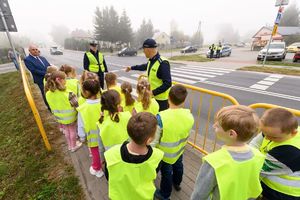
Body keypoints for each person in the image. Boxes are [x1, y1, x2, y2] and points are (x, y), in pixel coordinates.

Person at [191, 105, 265, 200]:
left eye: (217, 126)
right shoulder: (258, 155)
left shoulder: (214, 162)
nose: (214, 126)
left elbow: (199, 194)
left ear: (231, 134)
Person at [104, 112, 164, 199]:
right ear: (149, 140)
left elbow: (109, 176)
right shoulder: (157, 157)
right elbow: (153, 175)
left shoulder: (111, 154)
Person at [153, 84, 194, 200]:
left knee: (166, 173)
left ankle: (165, 195)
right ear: (184, 100)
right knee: (179, 166)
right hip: (180, 149)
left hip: (165, 154)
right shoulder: (189, 115)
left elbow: (155, 139)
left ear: (168, 97)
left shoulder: (161, 117)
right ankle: (177, 183)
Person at [250, 108, 300, 200]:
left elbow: (258, 169)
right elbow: (254, 144)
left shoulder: (290, 151)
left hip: (282, 194)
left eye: (274, 137)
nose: (267, 138)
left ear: (293, 133)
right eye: (264, 133)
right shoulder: (275, 130)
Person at [125, 38, 172, 111]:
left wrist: (152, 92)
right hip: (153, 98)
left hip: (161, 101)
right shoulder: (152, 60)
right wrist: (131, 68)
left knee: (159, 121)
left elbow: (168, 83)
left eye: (143, 50)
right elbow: (144, 66)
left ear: (148, 50)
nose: (143, 52)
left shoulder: (163, 63)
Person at [45, 71, 82, 152]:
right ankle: (74, 146)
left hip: (60, 118)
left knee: (66, 131)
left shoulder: (48, 93)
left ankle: (69, 145)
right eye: (65, 79)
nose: (66, 81)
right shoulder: (69, 93)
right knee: (72, 131)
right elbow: (77, 105)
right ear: (59, 80)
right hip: (71, 117)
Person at [97, 90, 131, 168]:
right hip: (128, 156)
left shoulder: (101, 123)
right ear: (118, 103)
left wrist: (102, 159)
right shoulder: (128, 116)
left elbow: (101, 147)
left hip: (111, 159)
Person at [77, 79, 104, 178]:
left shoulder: (83, 108)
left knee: (95, 152)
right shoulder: (103, 102)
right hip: (105, 134)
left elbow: (81, 125)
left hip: (93, 136)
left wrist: (82, 137)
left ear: (85, 92)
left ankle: (97, 168)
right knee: (104, 150)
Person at [24, 45, 51, 109]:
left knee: (52, 92)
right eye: (33, 49)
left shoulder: (42, 58)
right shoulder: (27, 59)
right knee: (45, 94)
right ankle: (49, 108)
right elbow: (33, 70)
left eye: (36, 49)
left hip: (50, 78)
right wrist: (46, 74)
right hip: (41, 80)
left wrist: (52, 72)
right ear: (29, 51)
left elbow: (49, 66)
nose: (35, 51)